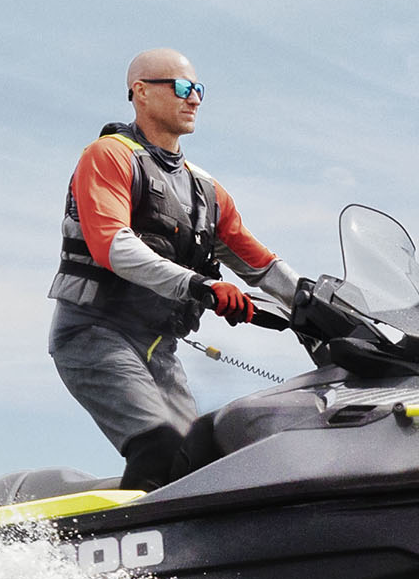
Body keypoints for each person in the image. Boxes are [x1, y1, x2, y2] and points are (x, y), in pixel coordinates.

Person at [50, 49, 300, 487]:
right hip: (94, 335)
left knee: (197, 464)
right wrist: (200, 285)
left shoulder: (206, 191)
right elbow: (114, 245)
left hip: (158, 348)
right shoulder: (109, 156)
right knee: (160, 447)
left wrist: (319, 303)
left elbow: (261, 266)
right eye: (182, 88)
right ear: (141, 93)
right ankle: (123, 549)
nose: (195, 99)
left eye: (198, 90)